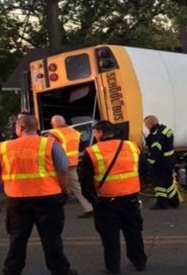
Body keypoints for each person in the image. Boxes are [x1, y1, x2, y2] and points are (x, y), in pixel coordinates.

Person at [0, 114, 77, 275]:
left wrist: (6, 183)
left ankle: (12, 270)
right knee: (51, 237)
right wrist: (65, 190)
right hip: (47, 197)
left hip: (17, 198)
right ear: (36, 128)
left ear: (20, 128)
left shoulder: (5, 146)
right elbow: (63, 170)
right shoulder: (50, 144)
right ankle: (60, 270)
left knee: (18, 237)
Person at [78, 120, 147, 274]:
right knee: (133, 231)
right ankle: (139, 261)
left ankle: (113, 267)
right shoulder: (132, 146)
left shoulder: (92, 151)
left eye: (95, 132)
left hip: (106, 200)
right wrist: (135, 185)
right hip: (131, 197)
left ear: (101, 133)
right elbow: (144, 169)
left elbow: (84, 178)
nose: (95, 135)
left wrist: (91, 197)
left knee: (109, 236)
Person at [47, 115, 94, 219]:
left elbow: (50, 149)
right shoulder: (74, 132)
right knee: (76, 186)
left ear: (53, 124)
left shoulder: (54, 133)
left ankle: (89, 208)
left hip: (60, 164)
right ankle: (89, 207)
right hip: (72, 162)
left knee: (53, 186)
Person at [143, 115, 180, 210]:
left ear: (151, 123)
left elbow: (156, 150)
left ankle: (162, 203)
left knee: (159, 182)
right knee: (168, 181)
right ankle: (174, 202)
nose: (146, 126)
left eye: (146, 124)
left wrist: (149, 163)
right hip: (170, 159)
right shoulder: (165, 129)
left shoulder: (156, 135)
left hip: (161, 161)